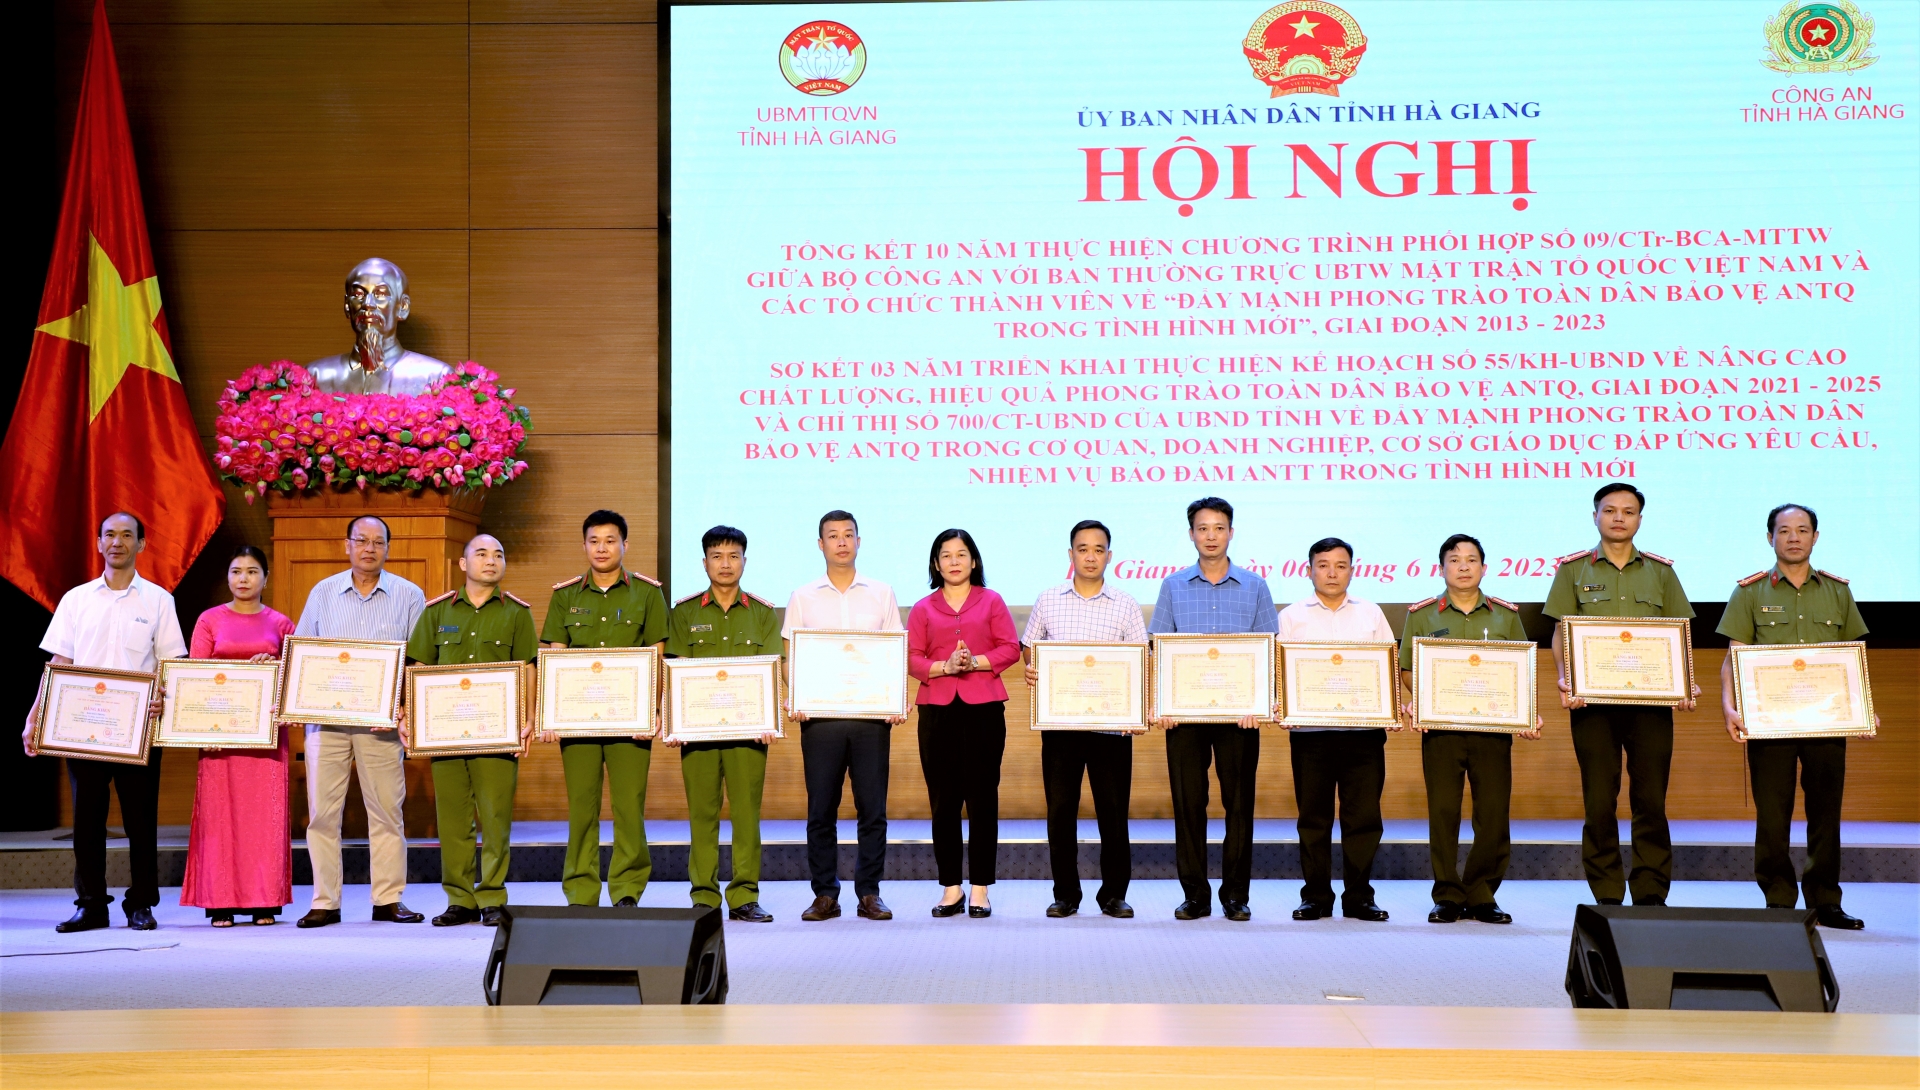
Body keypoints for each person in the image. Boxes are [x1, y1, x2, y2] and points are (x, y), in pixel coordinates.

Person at [23, 513, 184, 933]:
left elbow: (170, 665)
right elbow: (58, 663)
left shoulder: (159, 600)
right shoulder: (76, 599)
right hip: (83, 729)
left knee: (141, 820)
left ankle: (141, 904)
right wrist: (36, 714)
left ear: (142, 545)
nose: (118, 542)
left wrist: (163, 697)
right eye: (110, 535)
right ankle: (91, 905)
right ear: (98, 543)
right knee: (87, 820)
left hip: (139, 731)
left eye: (127, 536)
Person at [1543, 482, 1699, 908]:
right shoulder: (1573, 570)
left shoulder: (1661, 572)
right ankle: (1607, 891)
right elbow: (1559, 633)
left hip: (1650, 706)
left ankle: (1650, 891)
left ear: (1639, 520)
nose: (1618, 518)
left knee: (1650, 799)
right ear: (1595, 516)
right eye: (1609, 510)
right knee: (1599, 800)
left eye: (1628, 512)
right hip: (1592, 705)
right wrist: (1565, 680)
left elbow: (1679, 635)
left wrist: (1684, 682)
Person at [1717, 503, 1873, 929]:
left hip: (1826, 722)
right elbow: (1734, 658)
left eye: (1802, 530)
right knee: (1773, 815)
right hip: (1769, 725)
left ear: (1815, 537)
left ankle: (1825, 901)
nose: (1793, 537)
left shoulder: (1838, 592)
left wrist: (1863, 711)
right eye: (1784, 530)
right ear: (1770, 538)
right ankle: (1779, 901)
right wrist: (1729, 707)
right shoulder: (1749, 593)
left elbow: (1853, 661)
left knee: (1826, 813)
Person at [1398, 534, 1542, 926]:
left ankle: (1481, 894)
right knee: (1443, 812)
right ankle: (1446, 894)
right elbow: (1407, 667)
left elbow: (1521, 671)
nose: (1463, 566)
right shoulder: (1422, 615)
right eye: (1454, 559)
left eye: (1471, 559)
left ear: (1483, 567)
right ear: (1441, 567)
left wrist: (1527, 713)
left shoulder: (1506, 616)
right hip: (1441, 730)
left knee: (1493, 814)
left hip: (1492, 731)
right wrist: (1425, 701)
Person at [294, 514, 427, 928]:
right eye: (362, 540)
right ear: (347, 545)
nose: (370, 548)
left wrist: (404, 709)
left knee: (387, 811)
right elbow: (303, 654)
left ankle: (388, 899)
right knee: (321, 814)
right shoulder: (323, 592)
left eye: (378, 542)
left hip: (382, 724)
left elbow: (417, 662)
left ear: (388, 548)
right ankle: (324, 901)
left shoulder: (409, 595)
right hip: (325, 722)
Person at [1148, 498, 1277, 922]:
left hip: (1240, 716)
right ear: (1191, 534)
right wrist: (1163, 704)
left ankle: (1236, 895)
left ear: (1231, 532)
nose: (1210, 536)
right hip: (1184, 718)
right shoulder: (1173, 585)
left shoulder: (1256, 586)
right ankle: (1195, 895)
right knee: (1189, 804)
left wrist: (1258, 704)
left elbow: (1269, 653)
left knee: (1239, 805)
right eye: (1202, 528)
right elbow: (1158, 651)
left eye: (1218, 528)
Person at [406, 534, 538, 926]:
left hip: (498, 733)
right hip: (445, 734)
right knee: (453, 818)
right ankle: (460, 899)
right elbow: (417, 668)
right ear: (462, 564)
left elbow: (528, 668)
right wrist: (414, 719)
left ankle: (493, 896)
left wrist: (529, 719)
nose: (491, 561)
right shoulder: (437, 613)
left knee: (496, 817)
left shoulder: (516, 613)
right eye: (481, 554)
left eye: (499, 554)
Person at [539, 510, 668, 908]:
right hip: (577, 724)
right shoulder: (565, 596)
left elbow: (657, 655)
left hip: (630, 723)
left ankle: (627, 890)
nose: (602, 548)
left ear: (625, 545)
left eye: (610, 540)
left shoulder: (647, 593)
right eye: (594, 540)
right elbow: (553, 657)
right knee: (582, 808)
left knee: (630, 808)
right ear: (584, 545)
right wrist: (549, 714)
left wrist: (654, 710)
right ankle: (581, 891)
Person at [783, 510, 905, 923]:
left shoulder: (881, 592)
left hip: (871, 719)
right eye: (832, 536)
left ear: (858, 541)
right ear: (820, 545)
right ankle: (825, 895)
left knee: (872, 809)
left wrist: (894, 701)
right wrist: (796, 694)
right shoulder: (803, 596)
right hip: (820, 720)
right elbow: (791, 659)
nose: (840, 542)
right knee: (821, 809)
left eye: (847, 535)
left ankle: (869, 892)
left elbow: (894, 653)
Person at [1022, 519, 1146, 920]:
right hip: (1061, 727)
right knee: (1061, 812)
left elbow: (1139, 661)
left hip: (1112, 728)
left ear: (1109, 556)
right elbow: (1031, 650)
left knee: (1113, 813)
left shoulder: (1125, 603)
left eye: (1098, 549)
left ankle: (1114, 895)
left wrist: (1132, 708)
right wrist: (1033, 669)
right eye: (1082, 549)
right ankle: (1066, 894)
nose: (1090, 556)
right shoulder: (1048, 599)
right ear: (1070, 554)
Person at [665, 526, 782, 923]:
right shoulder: (683, 613)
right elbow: (675, 671)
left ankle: (745, 895)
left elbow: (771, 671)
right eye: (717, 556)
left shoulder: (764, 614)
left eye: (734, 556)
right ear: (704, 562)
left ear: (745, 561)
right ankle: (704, 896)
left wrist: (770, 719)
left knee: (747, 813)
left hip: (750, 733)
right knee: (702, 813)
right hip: (698, 734)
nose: (726, 563)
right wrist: (674, 721)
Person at [1278, 537, 1398, 923]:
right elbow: (1280, 672)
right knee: (1313, 819)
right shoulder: (1292, 616)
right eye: (1324, 564)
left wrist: (1391, 709)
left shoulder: (1371, 613)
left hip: (1362, 734)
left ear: (1352, 569)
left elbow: (1389, 669)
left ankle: (1360, 897)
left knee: (1363, 818)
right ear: (1308, 569)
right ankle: (1315, 896)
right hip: (1311, 734)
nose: (1332, 572)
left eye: (1340, 565)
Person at [179, 546, 298, 927]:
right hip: (220, 737)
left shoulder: (281, 624)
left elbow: (297, 679)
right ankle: (220, 901)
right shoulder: (209, 620)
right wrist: (200, 729)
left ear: (266, 576)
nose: (243, 579)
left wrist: (276, 666)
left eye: (251, 571)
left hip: (266, 736)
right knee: (221, 818)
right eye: (235, 571)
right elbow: (194, 681)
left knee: (264, 818)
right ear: (228, 577)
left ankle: (264, 901)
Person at [909, 528, 1021, 919]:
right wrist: (943, 667)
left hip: (983, 708)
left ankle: (980, 889)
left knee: (982, 799)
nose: (954, 561)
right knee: (943, 801)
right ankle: (951, 888)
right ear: (935, 564)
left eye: (961, 554)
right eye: (946, 555)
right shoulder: (923, 608)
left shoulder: (992, 601)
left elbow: (1010, 649)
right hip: (937, 709)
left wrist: (975, 662)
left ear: (974, 561)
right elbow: (911, 658)